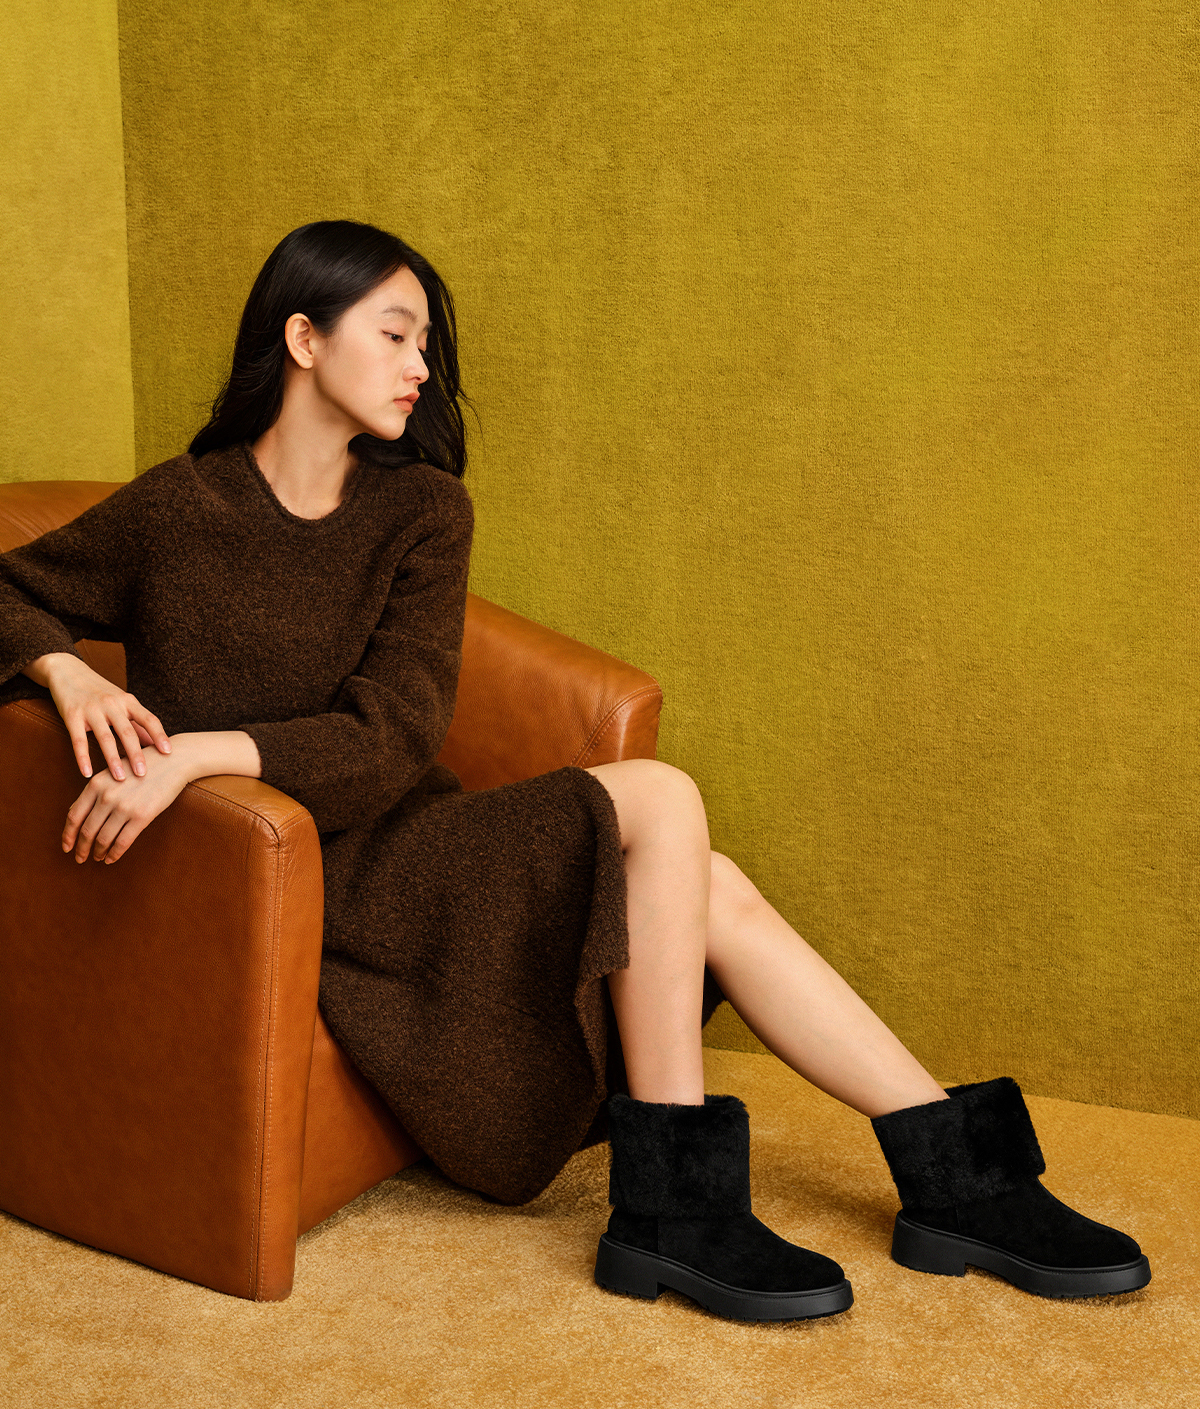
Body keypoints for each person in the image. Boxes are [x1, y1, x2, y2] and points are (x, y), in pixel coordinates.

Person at [0, 220, 1149, 1322]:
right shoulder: (176, 508)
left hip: (408, 842)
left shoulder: (420, 509)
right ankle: (720, 1203)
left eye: (426, 344)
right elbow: (10, 590)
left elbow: (396, 734)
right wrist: (69, 672)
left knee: (707, 883)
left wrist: (195, 748)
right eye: (395, 334)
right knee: (665, 802)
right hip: (293, 872)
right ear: (304, 337)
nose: (420, 367)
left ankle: (950, 1178)